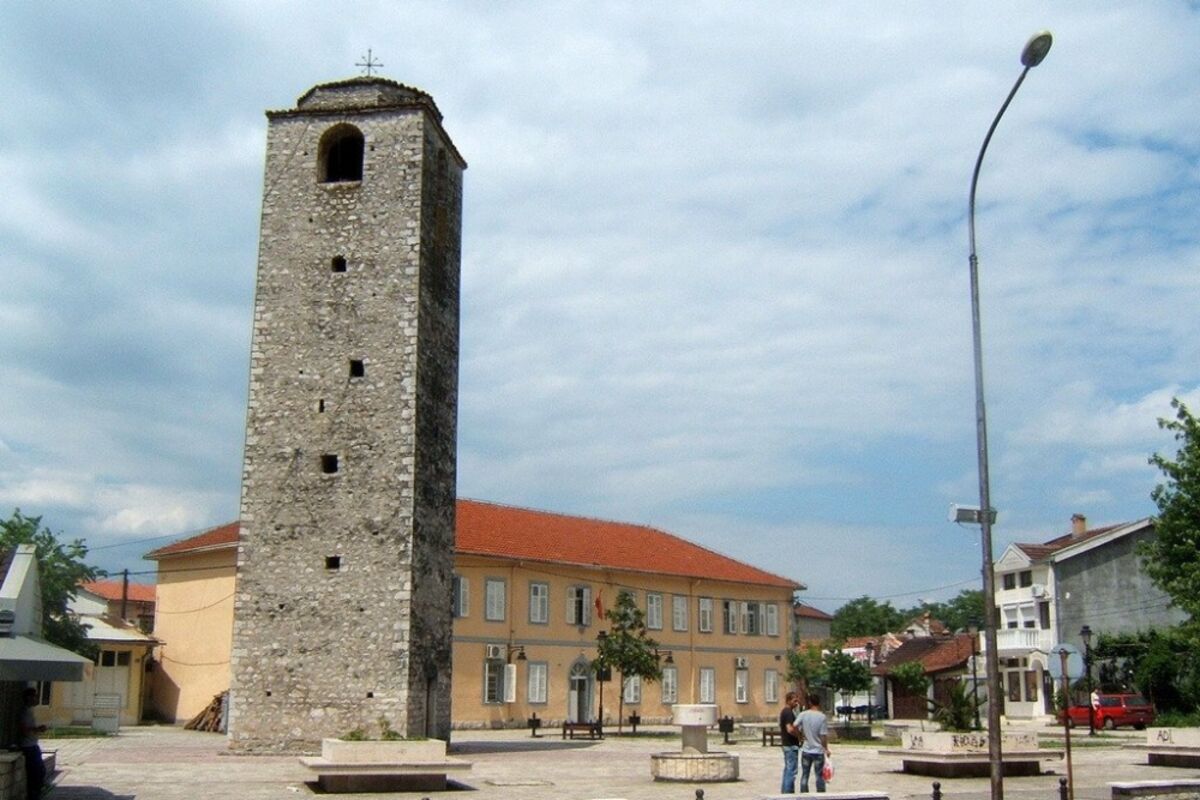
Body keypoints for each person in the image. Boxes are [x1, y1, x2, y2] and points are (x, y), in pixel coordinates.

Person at [797, 692, 830, 793]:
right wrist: (826, 749)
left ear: (810, 702)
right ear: (819, 703)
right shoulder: (822, 717)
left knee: (805, 775)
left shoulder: (803, 714)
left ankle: (804, 795)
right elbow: (823, 736)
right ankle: (820, 795)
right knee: (819, 776)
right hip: (818, 750)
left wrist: (800, 736)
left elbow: (794, 726)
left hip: (806, 749)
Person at [19, 686, 47, 800]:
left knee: (40, 772)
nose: (37, 699)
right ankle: (33, 795)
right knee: (35, 774)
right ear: (29, 698)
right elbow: (24, 730)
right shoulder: (24, 712)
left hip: (33, 745)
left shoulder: (30, 711)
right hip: (28, 747)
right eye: (35, 696)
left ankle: (35, 793)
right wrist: (38, 729)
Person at [779, 691, 801, 793]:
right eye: (794, 701)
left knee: (787, 770)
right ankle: (788, 793)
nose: (796, 703)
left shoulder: (786, 711)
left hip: (787, 744)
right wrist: (799, 736)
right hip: (791, 745)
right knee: (791, 771)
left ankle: (784, 792)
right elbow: (789, 729)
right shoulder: (788, 712)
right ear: (788, 700)